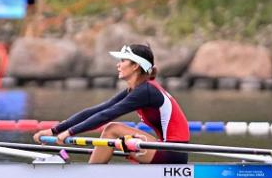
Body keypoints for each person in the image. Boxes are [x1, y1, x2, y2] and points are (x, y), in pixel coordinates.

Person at [32, 44, 190, 164]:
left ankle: (91, 177)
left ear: (135, 66)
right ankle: (94, 174)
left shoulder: (146, 91)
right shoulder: (136, 89)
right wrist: (55, 130)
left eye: (123, 61)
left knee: (112, 129)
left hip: (173, 152)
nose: (118, 65)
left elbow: (107, 115)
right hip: (166, 148)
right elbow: (99, 110)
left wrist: (69, 133)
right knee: (113, 130)